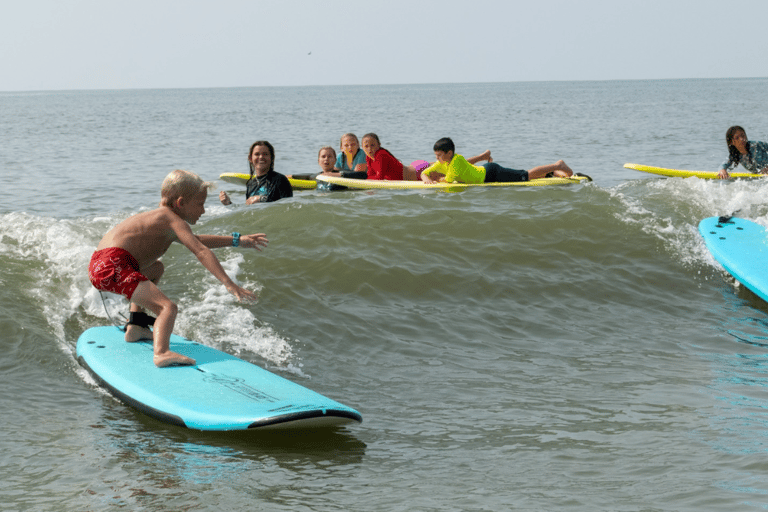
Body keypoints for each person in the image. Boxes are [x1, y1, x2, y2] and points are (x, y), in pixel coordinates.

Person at [89, 169, 269, 367]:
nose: (203, 211)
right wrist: (229, 283)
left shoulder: (160, 218)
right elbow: (200, 250)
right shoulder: (171, 219)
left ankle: (136, 325)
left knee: (156, 269)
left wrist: (236, 240)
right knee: (167, 308)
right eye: (200, 204)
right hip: (114, 265)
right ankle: (161, 353)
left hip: (101, 264)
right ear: (181, 203)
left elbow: (195, 240)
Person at [420, 137, 573, 184]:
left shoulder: (456, 161)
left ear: (449, 153)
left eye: (439, 155)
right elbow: (423, 172)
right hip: (486, 173)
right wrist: (427, 179)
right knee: (522, 176)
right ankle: (551, 174)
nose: (436, 159)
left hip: (491, 174)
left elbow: (448, 180)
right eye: (435, 156)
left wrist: (438, 180)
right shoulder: (443, 162)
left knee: (526, 176)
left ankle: (558, 165)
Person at [220, 141, 293, 205]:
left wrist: (261, 199)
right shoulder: (250, 184)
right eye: (257, 154)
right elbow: (248, 211)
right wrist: (229, 203)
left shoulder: (280, 180)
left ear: (272, 158)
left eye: (265, 154)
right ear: (250, 158)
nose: (261, 157)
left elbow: (287, 206)